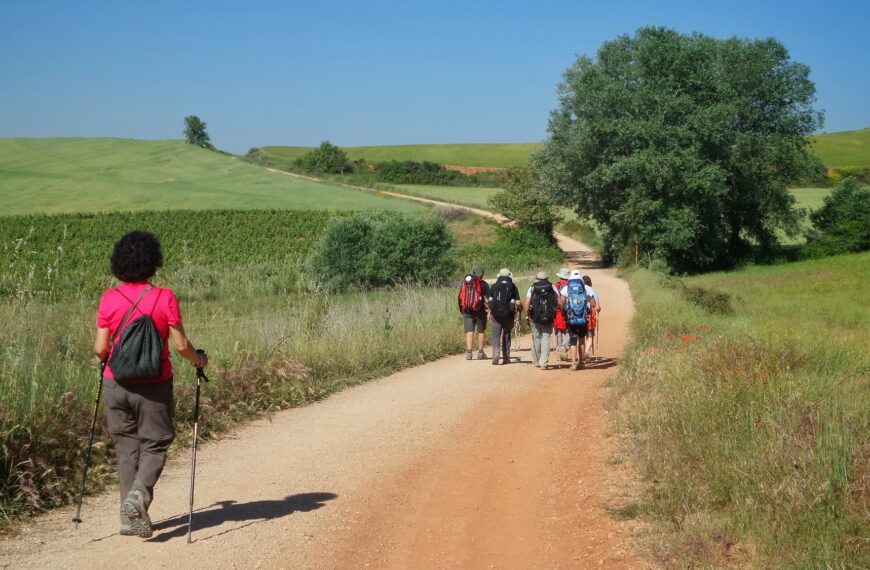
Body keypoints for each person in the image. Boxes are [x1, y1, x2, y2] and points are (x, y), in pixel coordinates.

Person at [93, 231, 207, 539]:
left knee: (126, 447)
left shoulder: (109, 298)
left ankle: (128, 519)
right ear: (153, 262)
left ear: (119, 262)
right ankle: (139, 496)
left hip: (116, 384)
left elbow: (100, 349)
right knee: (156, 442)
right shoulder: (164, 296)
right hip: (155, 384)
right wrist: (199, 360)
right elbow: (181, 345)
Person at [525, 270, 562, 370]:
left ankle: (536, 360)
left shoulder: (532, 287)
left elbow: (527, 303)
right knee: (545, 338)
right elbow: (559, 301)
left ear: (537, 278)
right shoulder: (552, 287)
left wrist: (527, 315)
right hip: (549, 316)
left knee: (536, 337)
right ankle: (544, 363)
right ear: (546, 278)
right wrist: (559, 310)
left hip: (535, 317)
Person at [561, 269, 596, 371]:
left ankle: (573, 363)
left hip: (571, 318)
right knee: (581, 340)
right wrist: (589, 300)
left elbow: (561, 303)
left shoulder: (566, 288)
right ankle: (581, 362)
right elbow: (593, 304)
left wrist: (564, 313)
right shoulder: (587, 288)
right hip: (583, 318)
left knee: (572, 341)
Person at [487, 268, 522, 365]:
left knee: (496, 335)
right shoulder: (513, 287)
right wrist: (520, 308)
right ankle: (506, 357)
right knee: (506, 334)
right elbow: (518, 302)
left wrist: (491, 311)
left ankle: (496, 353)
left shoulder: (494, 286)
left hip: (496, 315)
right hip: (508, 315)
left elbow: (488, 301)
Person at [458, 266, 490, 360]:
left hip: (467, 311)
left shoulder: (465, 283)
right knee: (480, 331)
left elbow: (459, 297)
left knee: (469, 331)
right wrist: (489, 310)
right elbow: (488, 299)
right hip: (480, 311)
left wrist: (461, 310)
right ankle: (480, 353)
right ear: (482, 274)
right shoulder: (484, 284)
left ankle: (469, 353)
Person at [582, 275, 602, 360]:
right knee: (590, 335)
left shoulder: (579, 290)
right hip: (590, 315)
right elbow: (597, 307)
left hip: (580, 315)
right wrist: (599, 310)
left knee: (582, 336)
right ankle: (586, 352)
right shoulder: (593, 291)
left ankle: (582, 354)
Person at [553, 268, 571, 361]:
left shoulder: (555, 286)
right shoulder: (570, 286)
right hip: (567, 312)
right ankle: (565, 347)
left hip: (557, 312)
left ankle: (559, 353)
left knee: (558, 333)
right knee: (569, 333)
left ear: (560, 276)